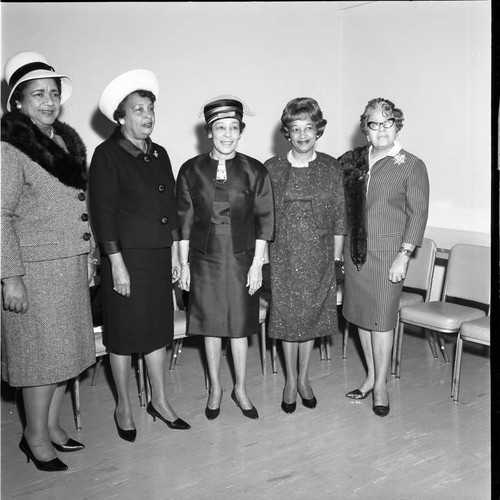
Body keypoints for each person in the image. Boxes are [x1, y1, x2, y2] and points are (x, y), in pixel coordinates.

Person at [1, 51, 97, 471]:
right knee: (40, 361)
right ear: (18, 103)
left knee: (66, 355)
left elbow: (78, 204)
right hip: (34, 271)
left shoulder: (63, 141)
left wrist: (88, 251)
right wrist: (10, 278)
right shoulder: (9, 150)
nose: (48, 100)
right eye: (37, 94)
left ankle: (54, 427)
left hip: (69, 263)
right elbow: (0, 215)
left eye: (53, 93)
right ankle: (34, 437)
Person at [88, 69, 190, 442]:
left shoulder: (159, 152)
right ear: (120, 116)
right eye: (138, 110)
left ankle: (160, 401)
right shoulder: (107, 155)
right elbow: (103, 214)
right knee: (124, 336)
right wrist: (116, 265)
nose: (147, 116)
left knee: (157, 332)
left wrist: (178, 255)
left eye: (150, 109)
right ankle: (124, 406)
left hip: (158, 256)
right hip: (125, 259)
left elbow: (172, 208)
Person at [176, 96, 274, 420]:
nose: (227, 134)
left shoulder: (254, 170)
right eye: (221, 128)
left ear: (241, 131)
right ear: (209, 132)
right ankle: (215, 388)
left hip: (242, 259)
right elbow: (183, 220)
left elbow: (265, 220)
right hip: (204, 260)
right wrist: (183, 264)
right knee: (211, 326)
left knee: (239, 327)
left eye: (234, 127)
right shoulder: (190, 170)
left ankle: (241, 389)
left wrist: (258, 263)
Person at [339, 97, 429, 417]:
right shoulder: (353, 162)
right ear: (366, 129)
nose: (382, 130)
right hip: (357, 253)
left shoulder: (411, 164)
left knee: (382, 319)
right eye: (374, 124)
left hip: (389, 256)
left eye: (387, 122)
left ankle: (381, 385)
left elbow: (417, 215)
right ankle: (369, 377)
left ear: (397, 125)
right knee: (362, 315)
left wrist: (404, 256)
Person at [264, 97, 347, 414]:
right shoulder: (272, 168)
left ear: (318, 130)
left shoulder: (330, 166)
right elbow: (264, 218)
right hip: (284, 255)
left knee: (310, 320)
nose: (302, 135)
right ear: (287, 132)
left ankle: (304, 378)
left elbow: (341, 216)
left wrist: (337, 261)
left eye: (308, 128)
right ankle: (289, 382)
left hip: (319, 256)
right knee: (288, 321)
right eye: (295, 129)